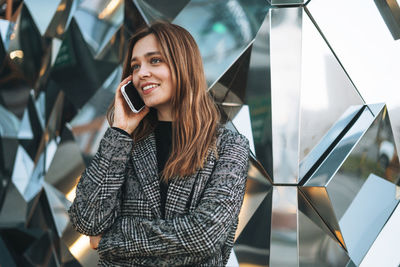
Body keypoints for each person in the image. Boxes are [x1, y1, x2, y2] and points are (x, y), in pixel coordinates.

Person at [68, 21, 250, 266]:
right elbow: (87, 221)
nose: (142, 73)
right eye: (135, 65)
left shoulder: (230, 147)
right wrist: (121, 130)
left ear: (183, 65)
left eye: (155, 60)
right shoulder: (124, 143)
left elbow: (204, 235)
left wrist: (109, 240)